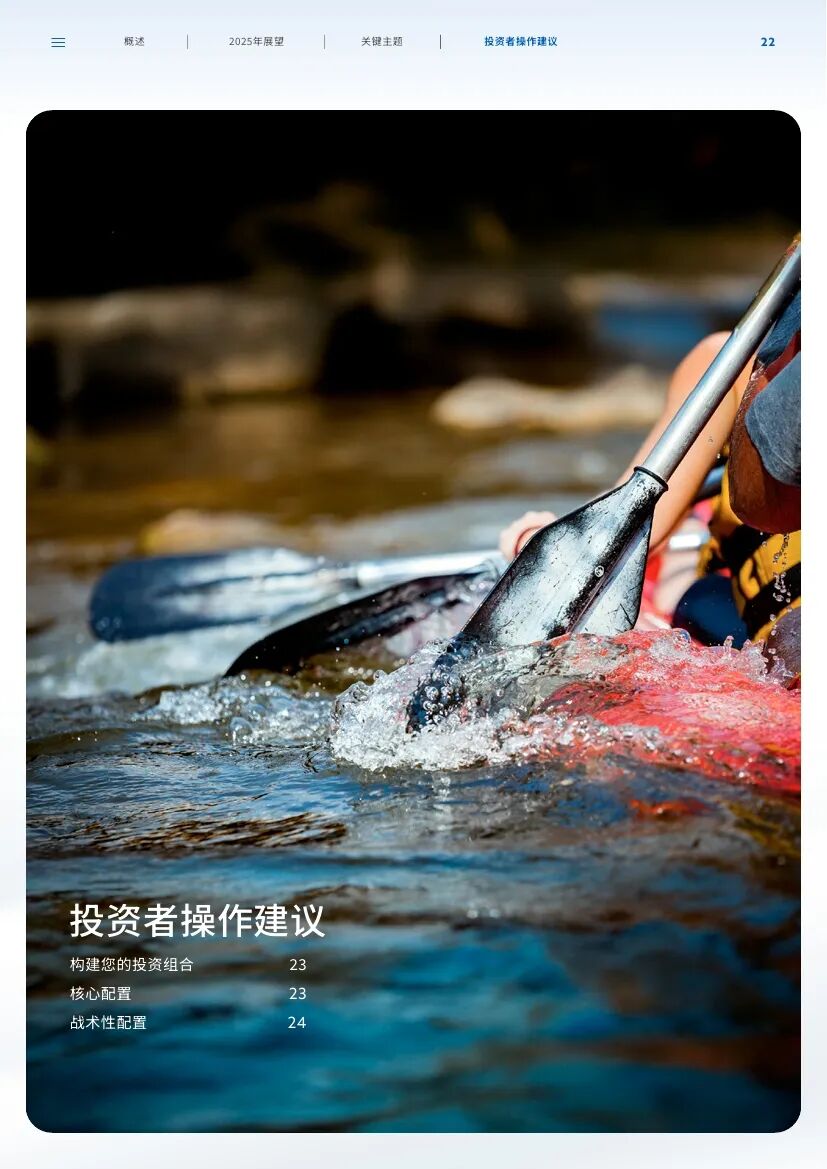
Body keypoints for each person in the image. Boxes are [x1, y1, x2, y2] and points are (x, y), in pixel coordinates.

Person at [498, 298, 801, 666]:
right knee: (699, 597)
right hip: (752, 625)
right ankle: (686, 551)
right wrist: (550, 543)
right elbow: (622, 531)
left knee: (701, 593)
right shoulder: (730, 367)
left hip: (772, 633)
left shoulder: (734, 364)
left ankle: (688, 544)